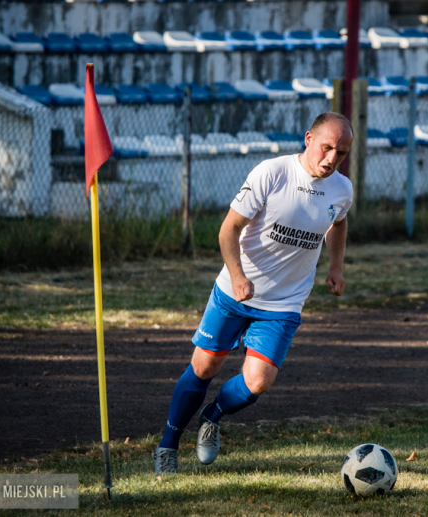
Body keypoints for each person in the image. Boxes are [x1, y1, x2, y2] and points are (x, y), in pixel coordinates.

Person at [153, 112, 354, 474]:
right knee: (204, 366)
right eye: (326, 148)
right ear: (308, 138)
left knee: (257, 381)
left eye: (340, 153)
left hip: (284, 302)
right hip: (235, 292)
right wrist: (238, 275)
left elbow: (337, 223)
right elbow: (228, 230)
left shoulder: (342, 190)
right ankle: (168, 444)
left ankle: (212, 417)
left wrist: (336, 266)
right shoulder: (272, 173)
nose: (331, 159)